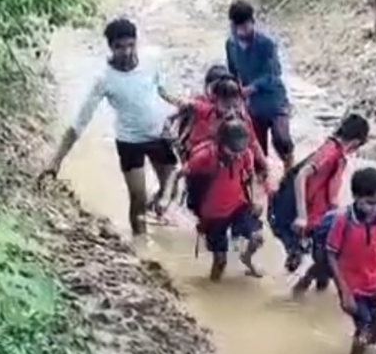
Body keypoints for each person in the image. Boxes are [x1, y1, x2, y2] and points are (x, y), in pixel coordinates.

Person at [38, 18, 184, 236]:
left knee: (170, 190)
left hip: (159, 136)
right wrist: (56, 160)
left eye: (130, 45)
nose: (126, 52)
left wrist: (186, 106)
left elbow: (163, 91)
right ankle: (141, 244)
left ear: (136, 43)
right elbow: (80, 123)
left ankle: (155, 210)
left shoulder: (149, 65)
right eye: (119, 47)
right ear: (110, 47)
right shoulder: (104, 79)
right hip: (129, 142)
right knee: (137, 196)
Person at [164, 117, 265, 281]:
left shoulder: (244, 153)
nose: (237, 155)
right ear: (221, 143)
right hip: (213, 214)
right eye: (233, 151)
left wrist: (254, 199)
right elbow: (177, 173)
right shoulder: (205, 157)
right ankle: (212, 289)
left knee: (257, 238)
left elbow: (250, 176)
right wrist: (165, 197)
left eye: (241, 150)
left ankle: (246, 257)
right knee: (220, 261)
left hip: (239, 205)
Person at [277, 113, 369, 282]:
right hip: (313, 217)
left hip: (320, 215)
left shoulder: (334, 151)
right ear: (356, 142)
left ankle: (300, 272)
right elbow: (302, 176)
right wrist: (302, 215)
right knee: (326, 259)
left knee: (324, 258)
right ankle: (300, 288)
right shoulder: (331, 153)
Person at [325, 167, 376, 354]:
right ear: (356, 197)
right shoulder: (343, 220)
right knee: (364, 327)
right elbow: (331, 254)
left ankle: (373, 343)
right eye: (371, 203)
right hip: (353, 287)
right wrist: (344, 292)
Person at [225, 0, 294, 167]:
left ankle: (289, 168)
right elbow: (233, 71)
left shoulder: (267, 44)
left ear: (253, 22)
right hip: (252, 105)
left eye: (246, 25)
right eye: (239, 27)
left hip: (274, 100)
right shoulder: (231, 44)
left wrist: (253, 87)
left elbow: (274, 73)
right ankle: (263, 180)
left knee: (281, 139)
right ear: (233, 26)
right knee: (256, 149)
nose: (243, 31)